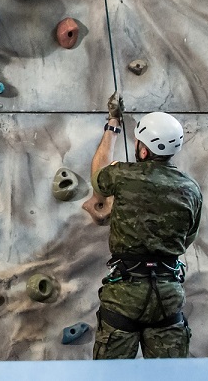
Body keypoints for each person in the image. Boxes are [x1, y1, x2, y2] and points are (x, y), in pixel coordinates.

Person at [83, 107, 201, 359]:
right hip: (167, 297)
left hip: (124, 294)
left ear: (144, 150)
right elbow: (188, 238)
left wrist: (113, 123)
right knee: (169, 378)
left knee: (110, 378)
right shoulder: (191, 189)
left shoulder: (122, 174)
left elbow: (98, 177)